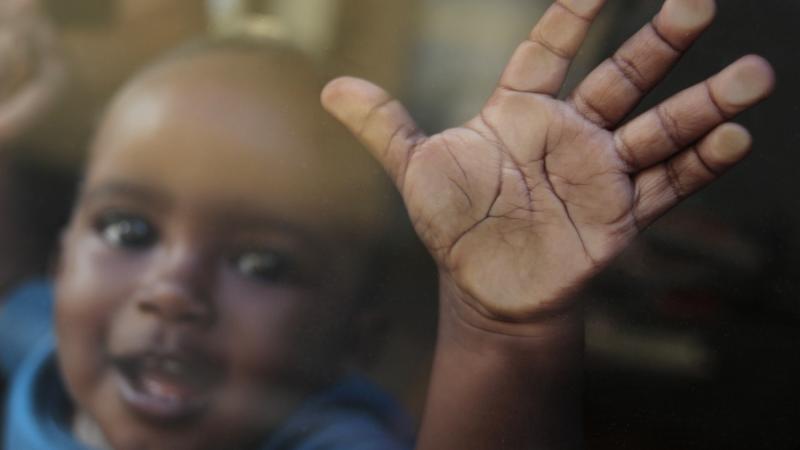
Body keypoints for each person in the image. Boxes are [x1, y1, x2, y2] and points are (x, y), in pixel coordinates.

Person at [0, 0, 774, 449]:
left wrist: (504, 336)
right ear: (62, 256)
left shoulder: (332, 438)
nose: (172, 291)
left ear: (353, 340)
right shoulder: (31, 338)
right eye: (128, 232)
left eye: (263, 265)